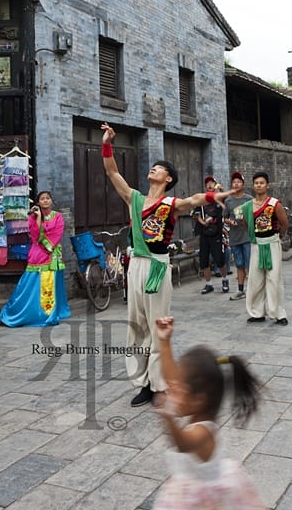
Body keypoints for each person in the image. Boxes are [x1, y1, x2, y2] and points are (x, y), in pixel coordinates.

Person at [101, 124, 236, 407]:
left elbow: (194, 200)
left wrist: (216, 196)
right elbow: (113, 172)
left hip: (157, 266)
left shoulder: (171, 204)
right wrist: (107, 144)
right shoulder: (134, 198)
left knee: (157, 325)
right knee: (136, 325)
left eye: (158, 168)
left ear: (168, 177)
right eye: (153, 166)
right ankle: (142, 380)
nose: (153, 169)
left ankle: (157, 384)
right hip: (135, 264)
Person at [152, 316, 292, 510]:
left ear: (198, 399)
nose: (171, 390)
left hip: (204, 509)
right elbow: (172, 377)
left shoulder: (204, 433)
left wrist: (168, 418)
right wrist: (165, 341)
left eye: (179, 390)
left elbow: (183, 443)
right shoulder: (197, 409)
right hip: (192, 496)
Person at [0, 191, 70, 327]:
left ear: (51, 201)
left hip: (52, 256)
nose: (45, 201)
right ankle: (10, 313)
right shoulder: (33, 217)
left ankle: (47, 314)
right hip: (37, 255)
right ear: (38, 202)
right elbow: (35, 235)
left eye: (48, 198)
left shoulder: (58, 217)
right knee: (26, 287)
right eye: (42, 199)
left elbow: (57, 234)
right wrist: (39, 217)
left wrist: (45, 240)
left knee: (50, 288)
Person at [242, 171, 289, 325]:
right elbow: (245, 223)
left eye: (262, 183)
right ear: (253, 186)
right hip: (256, 244)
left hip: (272, 244)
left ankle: (278, 313)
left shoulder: (275, 204)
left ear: (267, 185)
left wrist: (278, 237)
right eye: (256, 183)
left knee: (274, 279)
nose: (259, 185)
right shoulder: (248, 206)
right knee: (255, 279)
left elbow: (284, 224)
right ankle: (257, 312)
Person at [194, 176, 230, 295]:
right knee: (204, 260)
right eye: (207, 183)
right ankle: (209, 284)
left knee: (219, 259)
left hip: (216, 234)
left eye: (212, 183)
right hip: (204, 233)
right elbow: (196, 215)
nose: (210, 185)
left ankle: (225, 280)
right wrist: (203, 222)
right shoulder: (202, 199)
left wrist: (222, 190)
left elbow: (226, 200)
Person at [223, 171, 252, 300]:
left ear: (243, 184)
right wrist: (230, 221)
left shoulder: (249, 199)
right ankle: (240, 290)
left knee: (250, 264)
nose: (236, 184)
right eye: (234, 182)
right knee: (239, 264)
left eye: (238, 182)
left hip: (247, 236)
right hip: (235, 237)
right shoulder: (228, 200)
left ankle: (252, 289)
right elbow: (224, 218)